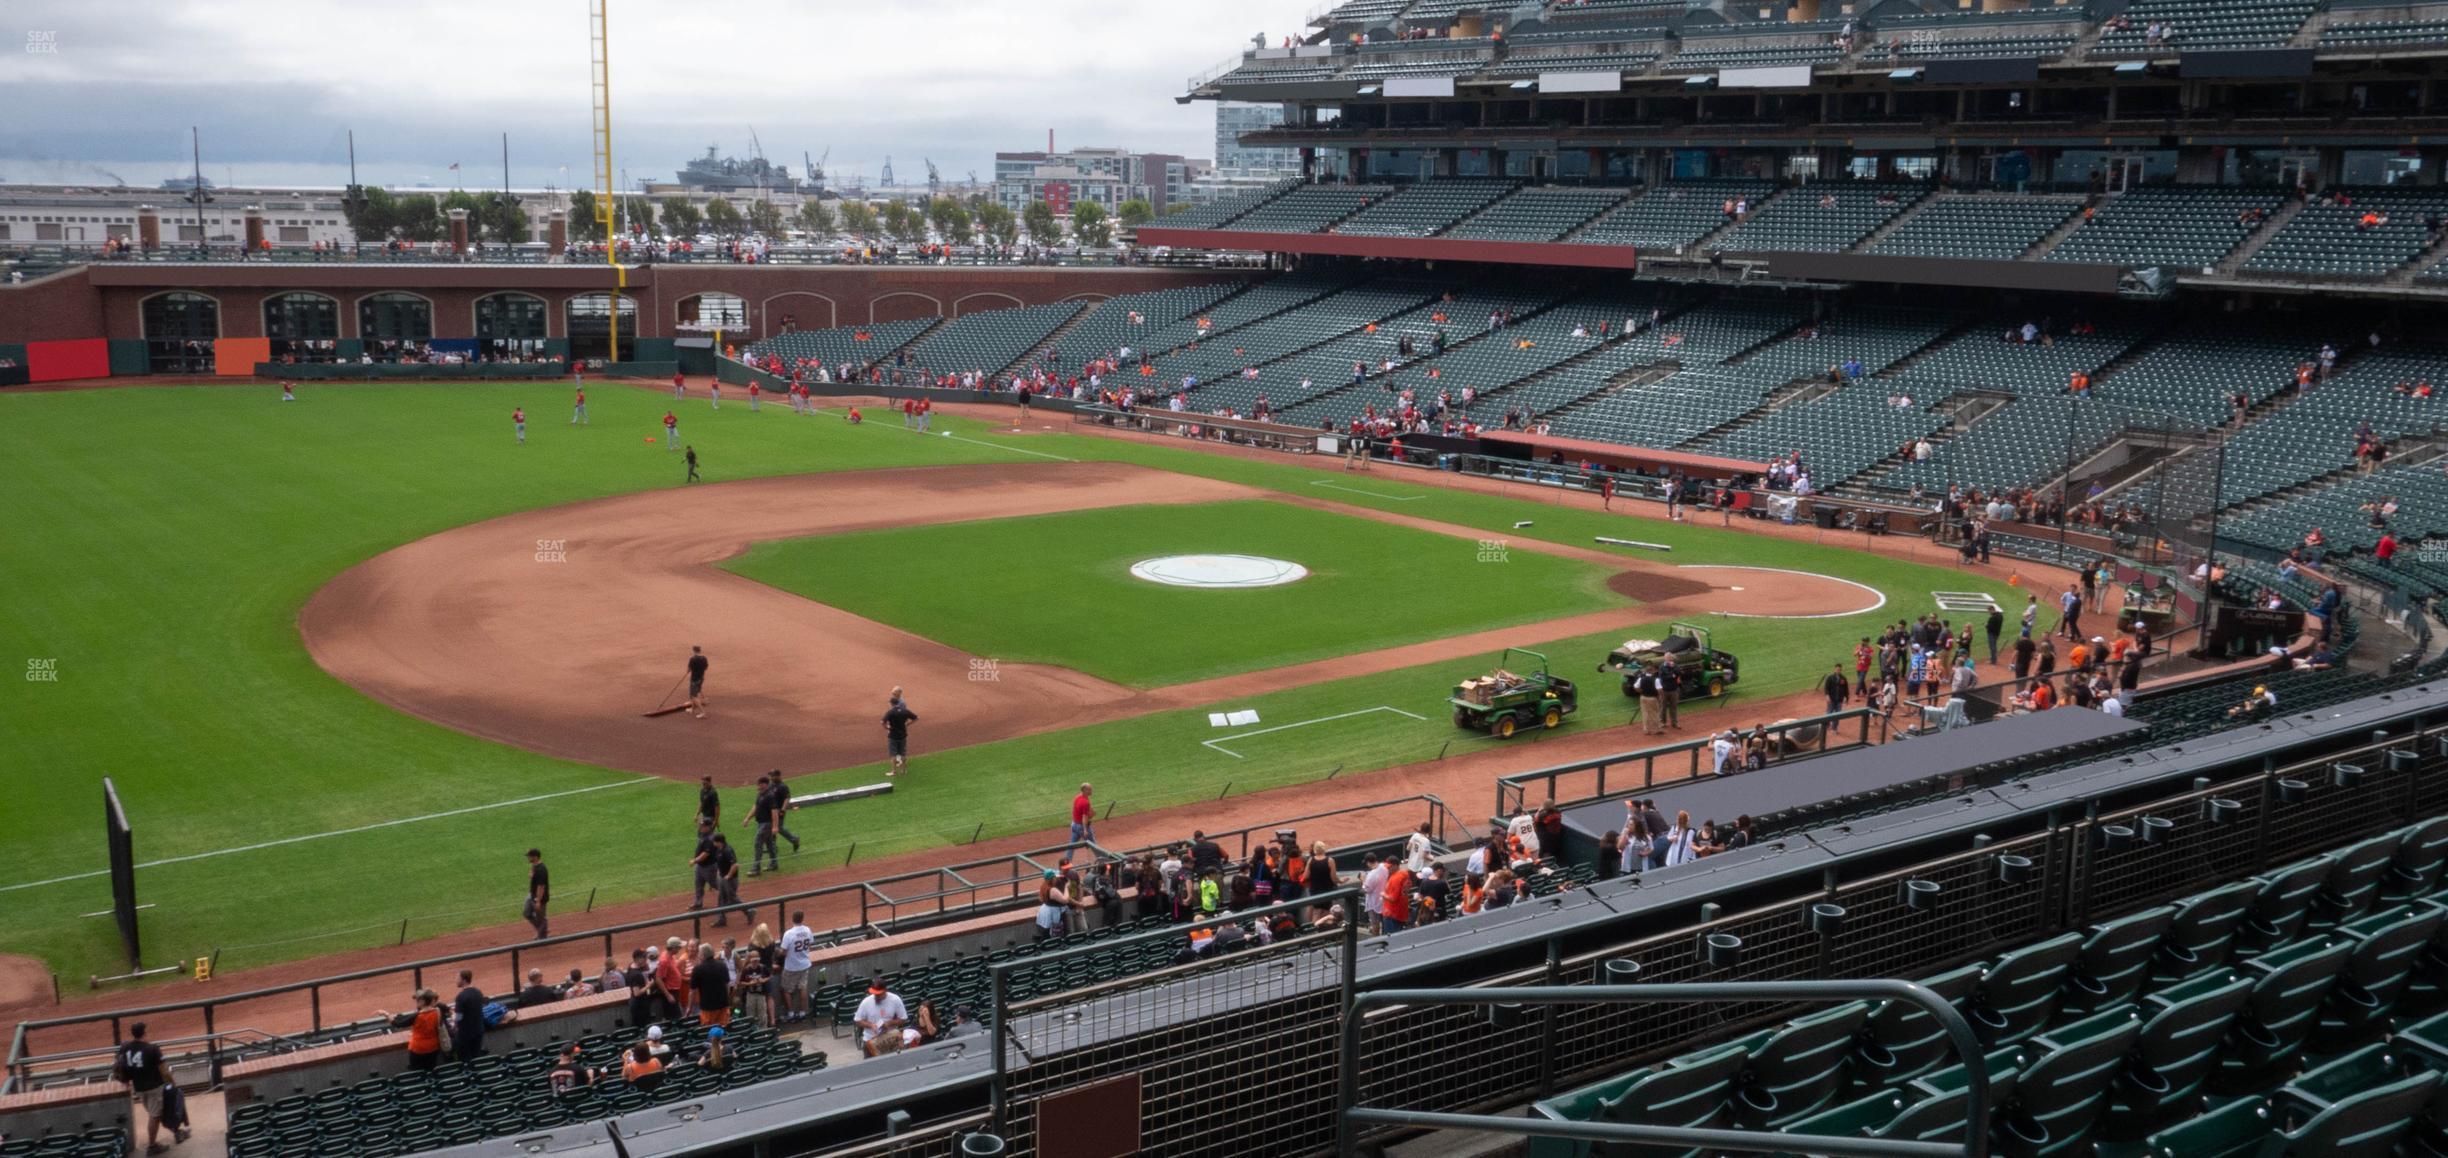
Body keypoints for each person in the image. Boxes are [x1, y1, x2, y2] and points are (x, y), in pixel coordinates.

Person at [117, 1022, 186, 1154]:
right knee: (156, 1116)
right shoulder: (152, 1048)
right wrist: (173, 1083)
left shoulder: (126, 1048)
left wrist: (126, 1081)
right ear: (144, 1033)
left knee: (158, 1113)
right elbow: (165, 1071)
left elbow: (122, 1067)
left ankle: (177, 1131)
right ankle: (152, 1146)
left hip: (139, 1089)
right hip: (155, 1088)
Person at [384, 989, 446, 1072]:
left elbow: (397, 1023)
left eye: (419, 1000)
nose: (417, 1001)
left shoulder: (417, 1016)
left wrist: (386, 1014)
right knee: (431, 1070)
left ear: (423, 1001)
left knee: (417, 1072)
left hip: (418, 1049)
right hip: (433, 1047)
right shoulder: (437, 1012)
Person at [778, 910, 816, 1024]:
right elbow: (810, 944)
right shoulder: (807, 930)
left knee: (786, 989)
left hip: (791, 966)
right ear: (802, 918)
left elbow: (783, 952)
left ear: (792, 918)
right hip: (804, 964)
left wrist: (777, 953)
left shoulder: (789, 933)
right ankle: (803, 1012)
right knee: (802, 988)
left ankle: (790, 1013)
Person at [854, 983, 908, 1056]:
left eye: (879, 994)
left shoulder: (895, 999)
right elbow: (857, 1020)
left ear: (885, 991)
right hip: (871, 1040)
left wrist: (889, 1023)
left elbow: (903, 1018)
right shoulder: (866, 1002)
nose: (876, 996)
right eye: (874, 994)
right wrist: (870, 1025)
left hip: (890, 1038)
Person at [744, 775, 781, 876]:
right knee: (769, 844)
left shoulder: (770, 795)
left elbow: (774, 812)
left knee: (758, 843)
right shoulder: (760, 794)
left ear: (764, 784)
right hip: (761, 823)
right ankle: (774, 863)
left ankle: (756, 868)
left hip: (767, 824)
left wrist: (775, 826)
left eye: (759, 784)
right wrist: (747, 818)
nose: (757, 786)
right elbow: (755, 807)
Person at [450, 969, 488, 1063]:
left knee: (465, 1060)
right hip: (478, 1031)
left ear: (464, 980)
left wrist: (452, 1016)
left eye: (457, 978)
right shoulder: (478, 992)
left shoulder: (461, 996)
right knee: (476, 1058)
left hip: (465, 1034)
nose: (456, 980)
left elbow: (458, 1017)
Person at [693, 943, 732, 1027]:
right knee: (723, 1030)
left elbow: (692, 990)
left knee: (709, 1031)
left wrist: (689, 1008)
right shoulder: (722, 965)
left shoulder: (698, 969)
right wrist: (727, 999)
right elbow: (727, 985)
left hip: (708, 1008)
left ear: (702, 955)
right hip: (723, 1005)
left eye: (699, 953)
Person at [1034, 868, 1080, 939]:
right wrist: (1066, 887)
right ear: (1052, 878)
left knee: (1047, 933)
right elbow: (1065, 900)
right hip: (1053, 913)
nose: (1056, 878)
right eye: (1055, 877)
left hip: (1045, 911)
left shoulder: (1044, 886)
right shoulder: (1052, 890)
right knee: (1055, 934)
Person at [882, 687, 918, 776]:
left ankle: (894, 771)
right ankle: (903, 770)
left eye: (894, 693)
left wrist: (887, 728)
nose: (893, 694)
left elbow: (883, 722)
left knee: (893, 753)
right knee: (903, 752)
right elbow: (915, 717)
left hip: (893, 733)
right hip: (902, 733)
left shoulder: (891, 711)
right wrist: (906, 724)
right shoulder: (902, 708)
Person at [709, 834, 742, 926]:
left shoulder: (727, 850)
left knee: (732, 899)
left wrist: (728, 876)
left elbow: (735, 865)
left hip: (730, 880)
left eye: (714, 841)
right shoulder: (719, 850)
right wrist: (719, 873)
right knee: (721, 899)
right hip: (723, 878)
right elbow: (720, 864)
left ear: (719, 842)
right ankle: (721, 919)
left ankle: (749, 911)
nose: (713, 843)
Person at [524, 847, 550, 939]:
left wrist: (538, 901)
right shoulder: (534, 866)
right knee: (527, 913)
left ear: (535, 857)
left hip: (539, 898)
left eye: (529, 856)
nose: (528, 858)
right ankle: (541, 930)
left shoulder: (541, 870)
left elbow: (541, 887)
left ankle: (543, 938)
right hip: (531, 895)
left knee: (541, 918)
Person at [684, 646, 711, 719]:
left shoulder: (692, 659)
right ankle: (692, 709)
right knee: (695, 693)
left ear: (694, 650)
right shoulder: (704, 658)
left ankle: (703, 713)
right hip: (701, 678)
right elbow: (706, 668)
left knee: (693, 696)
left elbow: (688, 670)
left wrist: (690, 670)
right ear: (700, 650)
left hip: (694, 680)